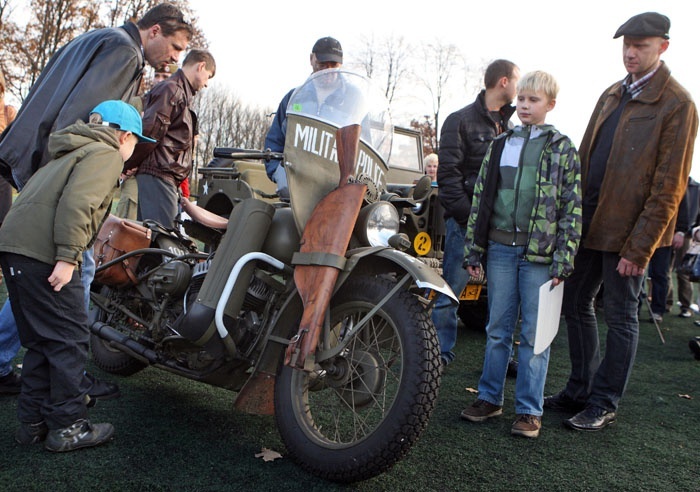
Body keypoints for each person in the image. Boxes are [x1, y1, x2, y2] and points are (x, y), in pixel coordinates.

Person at [0, 2, 192, 397]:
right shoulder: (124, 53)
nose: (174, 58)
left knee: (45, 276)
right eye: (174, 47)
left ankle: (18, 362)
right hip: (63, 175)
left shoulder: (96, 38)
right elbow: (89, 122)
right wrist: (76, 175)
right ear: (154, 31)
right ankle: (61, 375)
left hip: (37, 159)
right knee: (74, 272)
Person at [545, 12, 698, 432]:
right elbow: (582, 158)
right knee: (575, 304)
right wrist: (568, 219)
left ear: (662, 47)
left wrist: (640, 246)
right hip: (590, 223)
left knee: (621, 315)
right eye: (627, 44)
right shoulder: (612, 93)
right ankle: (578, 389)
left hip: (629, 234)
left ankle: (604, 401)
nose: (631, 52)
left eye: (641, 46)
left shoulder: (678, 103)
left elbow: (670, 185)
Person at [0, 100, 155, 451]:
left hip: (15, 248)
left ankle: (33, 422)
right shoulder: (106, 153)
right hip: (45, 253)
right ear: (125, 136)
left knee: (41, 341)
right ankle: (68, 426)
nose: (134, 153)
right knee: (69, 339)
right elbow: (78, 204)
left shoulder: (69, 150)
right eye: (136, 144)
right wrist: (68, 257)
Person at [459, 71, 582, 438]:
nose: (526, 106)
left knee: (534, 335)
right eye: (523, 99)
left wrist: (564, 257)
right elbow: (482, 198)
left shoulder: (562, 147)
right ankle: (489, 397)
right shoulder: (501, 143)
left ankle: (529, 410)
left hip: (541, 257)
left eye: (534, 100)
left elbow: (572, 206)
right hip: (499, 250)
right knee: (496, 329)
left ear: (550, 105)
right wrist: (474, 248)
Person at [432, 59, 519, 365]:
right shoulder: (460, 121)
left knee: (502, 298)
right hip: (465, 223)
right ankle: (438, 353)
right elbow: (449, 179)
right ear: (504, 82)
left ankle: (502, 358)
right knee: (450, 293)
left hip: (501, 226)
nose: (520, 89)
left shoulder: (511, 127)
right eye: (517, 81)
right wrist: (470, 218)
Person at [131, 49, 215, 228]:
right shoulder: (173, 90)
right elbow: (150, 132)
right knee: (164, 241)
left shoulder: (178, 92)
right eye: (208, 77)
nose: (207, 84)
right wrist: (131, 163)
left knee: (154, 241)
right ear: (201, 66)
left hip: (161, 174)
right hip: (158, 174)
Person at [263, 36, 343, 197]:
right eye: (322, 65)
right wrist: (279, 172)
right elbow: (274, 141)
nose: (328, 71)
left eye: (333, 66)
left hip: (335, 188)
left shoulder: (353, 100)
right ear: (312, 59)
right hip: (297, 187)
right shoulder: (294, 98)